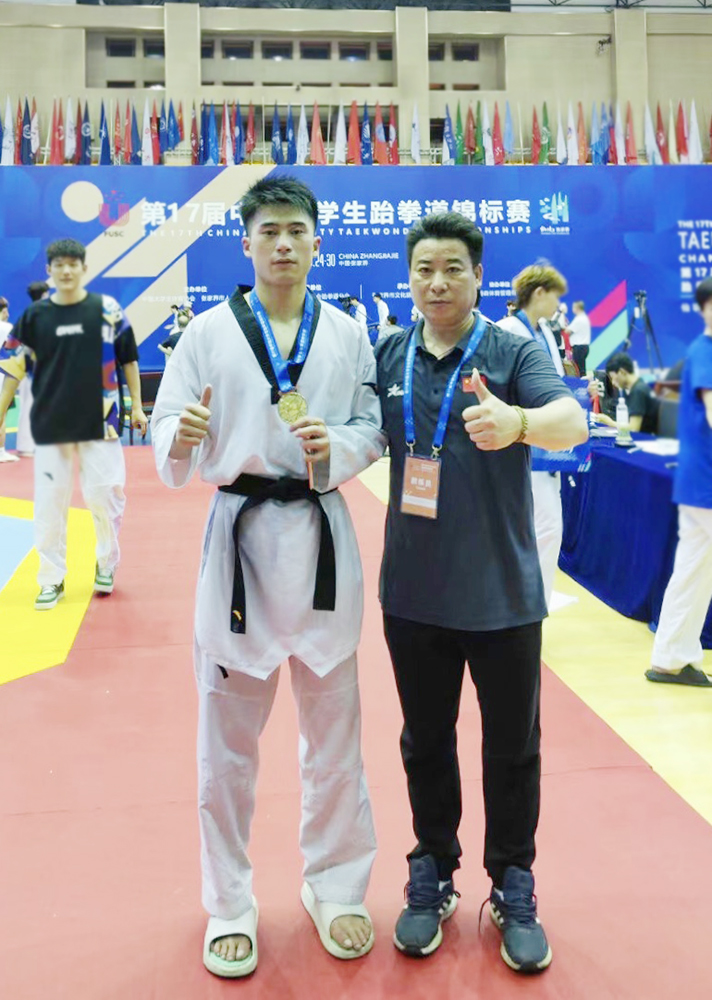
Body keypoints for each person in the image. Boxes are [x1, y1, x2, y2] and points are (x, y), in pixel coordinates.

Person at [151, 175, 385, 979]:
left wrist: (336, 449)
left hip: (321, 542)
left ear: (318, 240)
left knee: (336, 736)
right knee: (226, 747)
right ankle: (229, 902)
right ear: (246, 241)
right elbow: (166, 428)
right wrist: (182, 436)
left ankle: (335, 885)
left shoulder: (347, 333)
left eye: (296, 230)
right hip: (240, 548)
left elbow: (371, 426)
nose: (283, 244)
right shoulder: (207, 333)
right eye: (268, 231)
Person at [375, 213, 587, 973]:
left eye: (453, 269)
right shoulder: (389, 352)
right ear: (410, 276)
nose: (437, 283)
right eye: (424, 269)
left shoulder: (511, 350)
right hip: (413, 593)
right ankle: (433, 867)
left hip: (502, 595)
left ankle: (511, 881)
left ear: (478, 276)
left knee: (513, 747)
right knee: (424, 740)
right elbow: (356, 429)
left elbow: (572, 420)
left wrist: (519, 420)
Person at [0, 238, 147, 609]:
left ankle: (106, 564)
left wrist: (137, 406)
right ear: (49, 270)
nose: (66, 270)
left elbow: (129, 359)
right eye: (59, 265)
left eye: (72, 264)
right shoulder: (34, 317)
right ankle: (51, 578)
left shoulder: (107, 310)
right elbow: (12, 370)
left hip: (102, 420)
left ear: (83, 268)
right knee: (50, 503)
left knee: (106, 496)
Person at [646, 278, 712, 687]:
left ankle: (673, 657)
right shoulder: (706, 351)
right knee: (694, 570)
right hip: (706, 480)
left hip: (699, 480)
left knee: (695, 570)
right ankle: (671, 656)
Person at [497, 263, 569, 608]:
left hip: (547, 445)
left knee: (548, 528)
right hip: (521, 441)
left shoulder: (545, 333)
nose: (558, 305)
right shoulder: (507, 331)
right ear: (539, 293)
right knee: (540, 527)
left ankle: (535, 602)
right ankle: (525, 604)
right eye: (555, 297)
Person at [594, 352, 659, 433]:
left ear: (622, 372)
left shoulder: (638, 391)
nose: (613, 383)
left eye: (613, 377)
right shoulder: (638, 387)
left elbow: (633, 429)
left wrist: (609, 422)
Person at [0, 296, 19, 463]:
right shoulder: (7, 327)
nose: (8, 314)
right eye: (6, 310)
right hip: (2, 373)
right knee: (2, 413)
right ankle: (0, 451)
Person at [568, 301, 592, 377]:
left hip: (579, 348)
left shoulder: (579, 319)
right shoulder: (584, 317)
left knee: (579, 371)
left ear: (577, 308)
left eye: (573, 307)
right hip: (583, 347)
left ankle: (582, 383)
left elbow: (568, 331)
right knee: (581, 369)